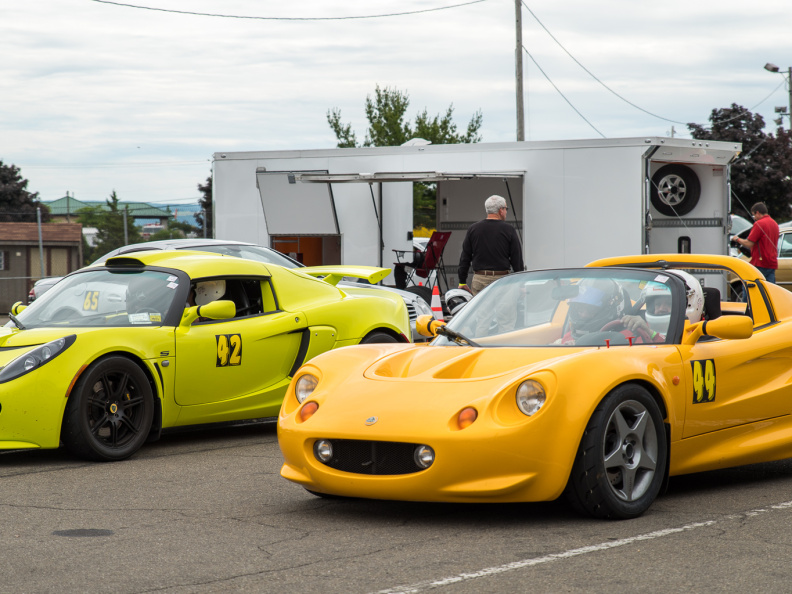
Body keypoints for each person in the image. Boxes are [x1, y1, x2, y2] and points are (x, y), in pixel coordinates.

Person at [458, 195, 524, 295]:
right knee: (504, 310)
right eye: (506, 209)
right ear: (501, 210)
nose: (506, 212)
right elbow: (516, 259)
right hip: (502, 280)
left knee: (480, 310)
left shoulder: (473, 229)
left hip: (479, 280)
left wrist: (462, 281)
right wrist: (521, 283)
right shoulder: (509, 229)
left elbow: (465, 257)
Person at [732, 202, 779, 283]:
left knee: (749, 287)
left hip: (760, 263)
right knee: (769, 291)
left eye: (753, 215)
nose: (754, 218)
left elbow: (749, 243)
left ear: (757, 212)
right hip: (772, 262)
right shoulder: (774, 224)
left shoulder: (759, 224)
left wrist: (737, 239)